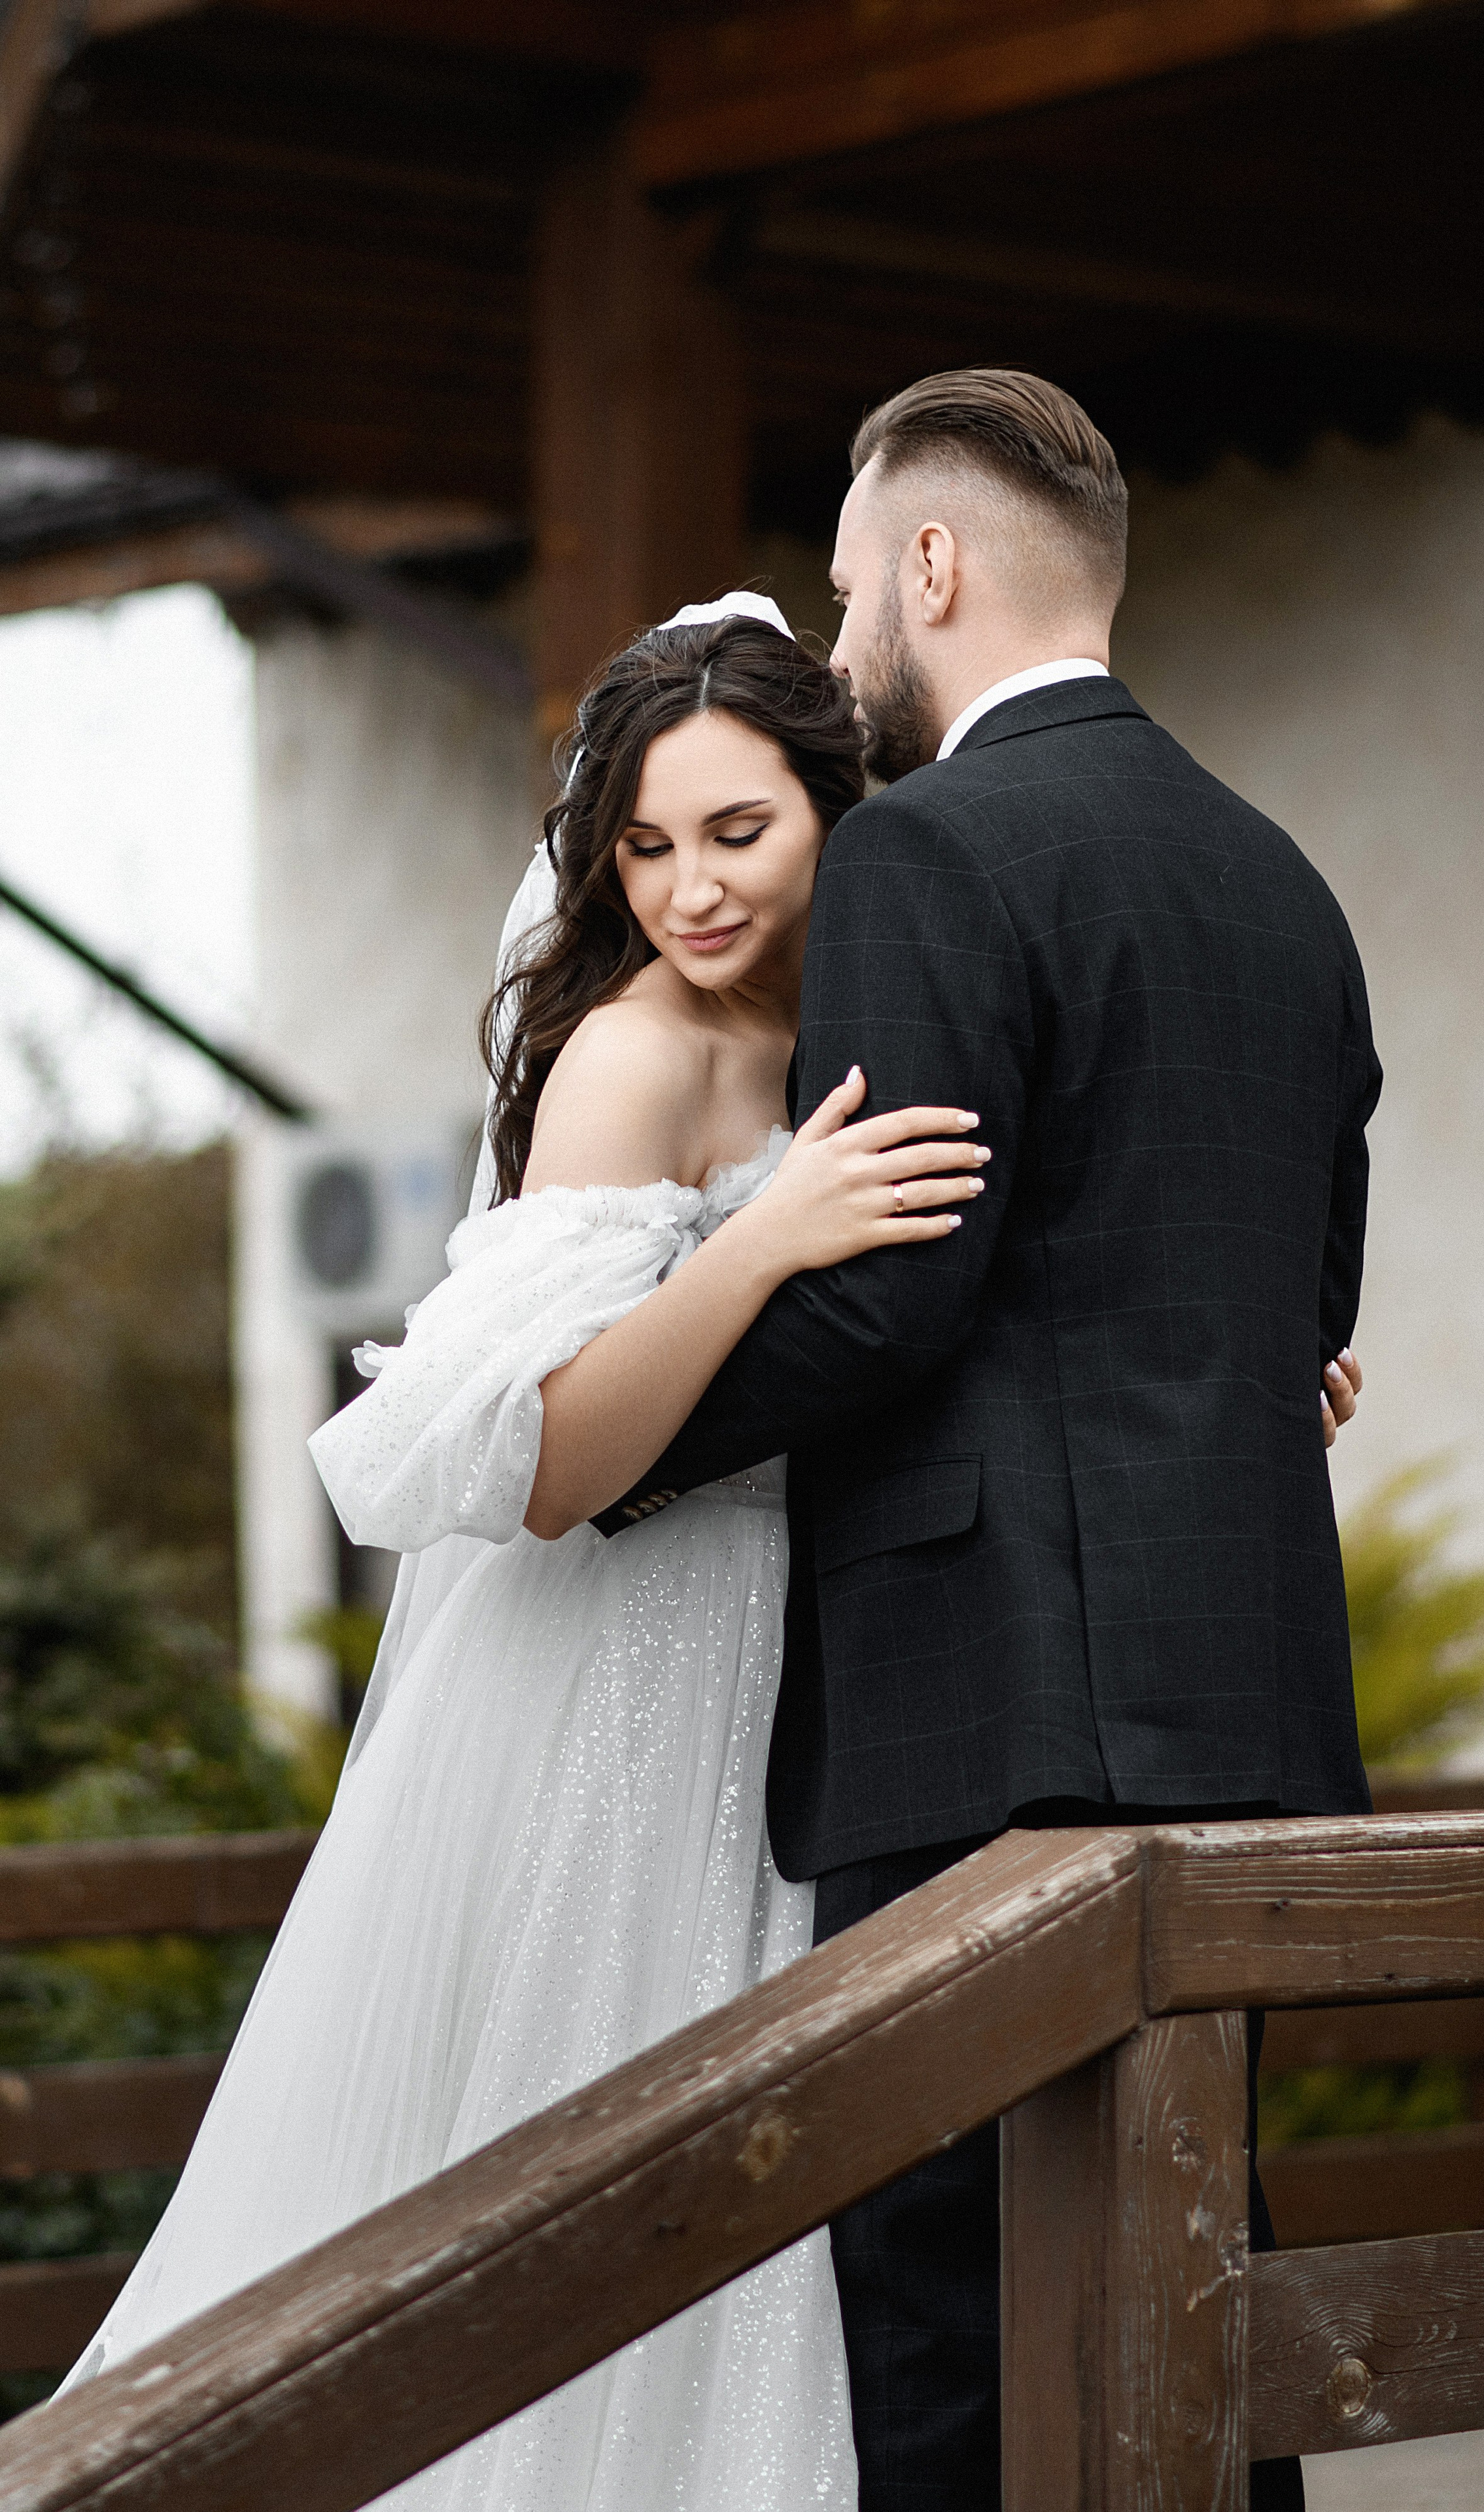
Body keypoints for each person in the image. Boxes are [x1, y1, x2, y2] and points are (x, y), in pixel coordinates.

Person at [56, 596, 993, 2512]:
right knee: (609, 2147)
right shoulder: (631, 1058)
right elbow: (549, 1455)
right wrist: (759, 1237)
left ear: (839, 812)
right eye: (644, 847)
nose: (689, 893)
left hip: (799, 1667)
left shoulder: (858, 1024)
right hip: (626, 1668)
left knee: (769, 2182)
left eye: (738, 832)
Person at [594, 374, 1381, 2512]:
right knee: (1196, 2303)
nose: (845, 630)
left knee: (950, 2345)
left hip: (982, 1724)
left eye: (854, 583)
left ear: (932, 566)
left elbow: (893, 1291)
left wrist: (601, 1441)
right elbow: (1306, 1312)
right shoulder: (1283, 882)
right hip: (1244, 1713)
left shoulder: (927, 850)